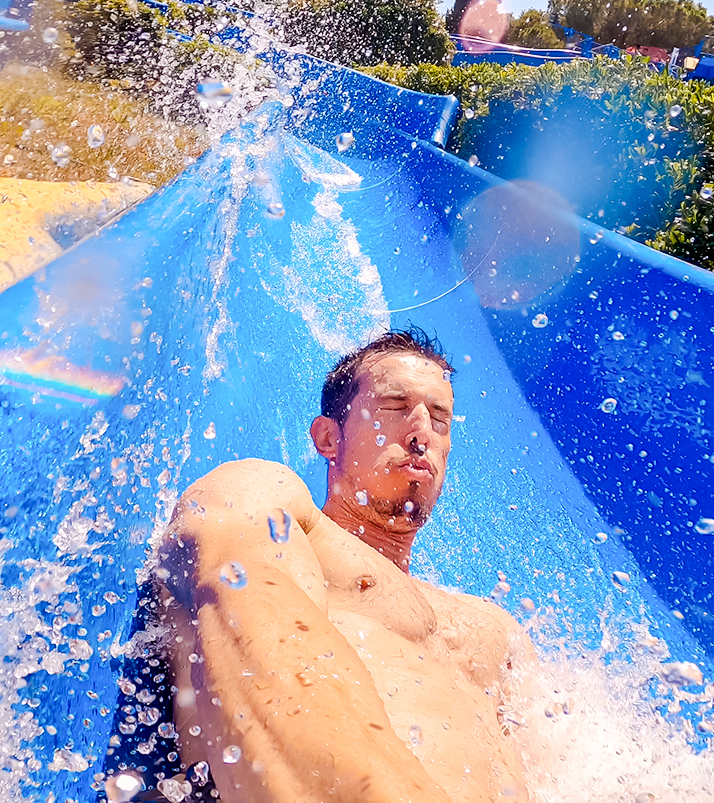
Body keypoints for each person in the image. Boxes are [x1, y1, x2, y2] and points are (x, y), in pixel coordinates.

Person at [105, 329, 536, 803]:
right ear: (329, 438)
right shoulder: (276, 505)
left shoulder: (496, 628)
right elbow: (249, 610)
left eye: (440, 419)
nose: (421, 434)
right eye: (395, 407)